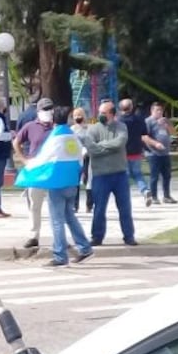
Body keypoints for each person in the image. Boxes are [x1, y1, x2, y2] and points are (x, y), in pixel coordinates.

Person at [15, 106, 93, 267]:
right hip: (72, 182)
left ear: (53, 120)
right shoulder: (72, 135)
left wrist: (28, 166)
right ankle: (84, 247)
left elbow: (44, 158)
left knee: (57, 221)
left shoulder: (55, 137)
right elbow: (81, 154)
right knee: (69, 217)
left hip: (57, 182)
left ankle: (60, 255)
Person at [77, 101, 137, 246]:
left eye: (104, 113)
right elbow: (92, 149)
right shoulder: (93, 129)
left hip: (120, 174)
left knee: (125, 207)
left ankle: (129, 236)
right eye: (100, 112)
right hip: (100, 175)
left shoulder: (121, 127)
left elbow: (120, 143)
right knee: (99, 208)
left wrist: (101, 145)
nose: (100, 115)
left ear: (112, 114)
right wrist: (105, 147)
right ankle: (97, 237)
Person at [14, 97, 55, 248]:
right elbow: (16, 142)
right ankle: (33, 236)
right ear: (38, 111)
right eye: (45, 109)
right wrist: (24, 160)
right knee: (34, 205)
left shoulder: (56, 127)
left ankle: (58, 236)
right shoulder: (30, 126)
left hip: (52, 170)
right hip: (36, 170)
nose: (48, 112)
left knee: (55, 205)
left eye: (50, 109)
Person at [118, 98, 152, 207]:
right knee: (137, 174)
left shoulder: (118, 121)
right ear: (131, 107)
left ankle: (125, 198)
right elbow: (144, 133)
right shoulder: (139, 119)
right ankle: (145, 190)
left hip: (123, 152)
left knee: (125, 176)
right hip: (136, 151)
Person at [143, 102, 177, 204]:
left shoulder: (164, 121)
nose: (159, 112)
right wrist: (155, 144)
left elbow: (174, 133)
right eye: (157, 110)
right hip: (153, 153)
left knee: (167, 175)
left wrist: (167, 126)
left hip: (165, 152)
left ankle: (167, 196)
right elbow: (144, 137)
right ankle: (154, 196)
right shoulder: (148, 122)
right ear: (152, 111)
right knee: (154, 176)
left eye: (161, 110)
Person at [71, 107, 93, 213]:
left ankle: (89, 205)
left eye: (80, 115)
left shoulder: (89, 128)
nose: (78, 118)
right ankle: (75, 205)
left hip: (88, 156)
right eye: (76, 116)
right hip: (76, 157)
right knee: (76, 181)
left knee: (88, 180)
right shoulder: (71, 129)